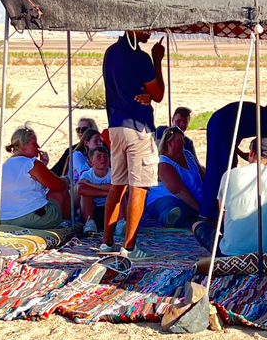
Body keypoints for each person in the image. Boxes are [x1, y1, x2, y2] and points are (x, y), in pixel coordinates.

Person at [101, 30, 165, 259]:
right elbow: (158, 93)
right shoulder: (140, 57)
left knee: (117, 184)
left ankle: (106, 242)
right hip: (138, 127)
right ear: (132, 28)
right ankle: (129, 247)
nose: (149, 32)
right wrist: (158, 60)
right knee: (139, 186)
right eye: (144, 27)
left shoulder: (110, 53)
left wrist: (145, 92)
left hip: (116, 125)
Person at [192, 136, 267, 264]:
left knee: (197, 225)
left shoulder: (229, 175)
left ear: (251, 153)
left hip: (229, 253)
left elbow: (223, 213)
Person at [199, 101, 267, 223]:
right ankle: (215, 215)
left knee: (217, 167)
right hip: (223, 124)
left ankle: (210, 213)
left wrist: (241, 153)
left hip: (218, 121)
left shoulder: (261, 116)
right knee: (221, 170)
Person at [0, 126, 71, 229]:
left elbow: (27, 184)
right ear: (23, 146)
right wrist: (66, 180)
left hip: (4, 218)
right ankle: (68, 224)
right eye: (34, 143)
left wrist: (44, 166)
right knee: (62, 189)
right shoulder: (31, 164)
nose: (38, 146)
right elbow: (57, 185)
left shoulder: (5, 165)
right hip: (32, 219)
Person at [145, 126, 204, 228]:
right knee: (173, 206)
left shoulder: (188, 155)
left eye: (183, 139)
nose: (183, 143)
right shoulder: (163, 163)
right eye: (179, 140)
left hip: (191, 197)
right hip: (165, 198)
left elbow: (202, 175)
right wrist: (200, 209)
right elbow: (178, 190)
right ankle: (169, 218)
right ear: (170, 143)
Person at [77, 146, 112, 234]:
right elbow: (81, 190)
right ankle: (90, 223)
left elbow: (116, 187)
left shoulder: (113, 173)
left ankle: (120, 222)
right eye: (98, 156)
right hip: (94, 210)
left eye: (105, 156)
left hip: (111, 210)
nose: (102, 159)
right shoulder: (87, 174)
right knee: (86, 195)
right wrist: (107, 193)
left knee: (122, 194)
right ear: (91, 162)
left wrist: (92, 185)